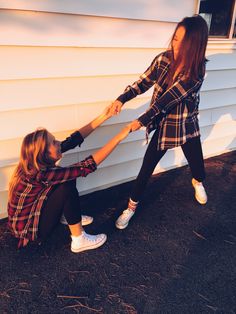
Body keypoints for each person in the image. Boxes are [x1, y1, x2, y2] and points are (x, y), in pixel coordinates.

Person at [109, 15, 209, 230]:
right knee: (147, 166)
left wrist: (142, 120)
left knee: (198, 167)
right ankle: (131, 207)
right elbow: (143, 82)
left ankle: (197, 182)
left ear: (196, 46)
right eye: (175, 39)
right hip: (165, 124)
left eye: (183, 42)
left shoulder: (197, 72)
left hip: (185, 123)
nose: (176, 45)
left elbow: (168, 99)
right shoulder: (163, 59)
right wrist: (122, 98)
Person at [8, 107, 131, 252]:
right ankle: (79, 240)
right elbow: (86, 166)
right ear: (44, 153)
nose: (59, 143)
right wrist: (122, 134)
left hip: (29, 217)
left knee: (67, 178)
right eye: (54, 142)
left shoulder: (34, 162)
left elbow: (73, 140)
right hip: (30, 231)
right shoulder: (40, 173)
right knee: (66, 185)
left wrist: (105, 115)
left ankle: (68, 215)